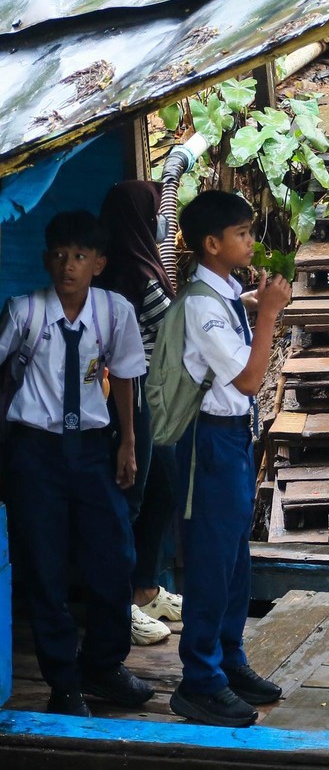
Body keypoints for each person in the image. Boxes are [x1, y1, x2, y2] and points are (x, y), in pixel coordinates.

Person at [0, 210, 154, 716]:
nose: (69, 265)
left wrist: (128, 443)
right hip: (34, 452)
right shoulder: (23, 312)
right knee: (43, 570)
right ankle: (62, 683)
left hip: (92, 448)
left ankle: (104, 667)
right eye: (61, 255)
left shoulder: (115, 313)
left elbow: (128, 376)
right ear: (47, 259)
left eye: (81, 256)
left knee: (114, 561)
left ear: (99, 263)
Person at [168, 190, 291, 727]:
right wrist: (268, 315)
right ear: (212, 244)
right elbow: (247, 379)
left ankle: (229, 658)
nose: (251, 241)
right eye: (241, 234)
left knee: (235, 557)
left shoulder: (221, 293)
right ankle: (199, 680)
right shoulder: (198, 304)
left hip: (233, 437)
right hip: (208, 442)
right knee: (212, 559)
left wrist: (253, 307)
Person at [98, 181, 183, 647]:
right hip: (134, 397)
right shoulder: (134, 274)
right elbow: (175, 329)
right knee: (131, 500)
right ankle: (121, 604)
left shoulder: (133, 266)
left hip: (150, 395)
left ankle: (146, 588)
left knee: (162, 490)